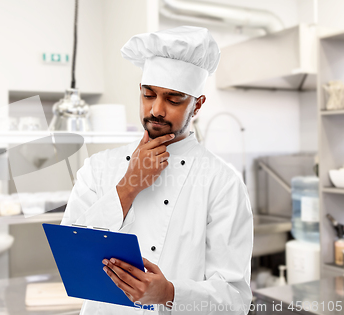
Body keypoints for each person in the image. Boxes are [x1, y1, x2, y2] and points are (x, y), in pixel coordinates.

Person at [61, 26, 253, 315]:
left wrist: (169, 293)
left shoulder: (221, 181)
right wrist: (129, 185)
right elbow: (70, 256)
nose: (157, 110)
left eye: (174, 99)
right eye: (148, 95)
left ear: (197, 105)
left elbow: (235, 299)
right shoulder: (99, 168)